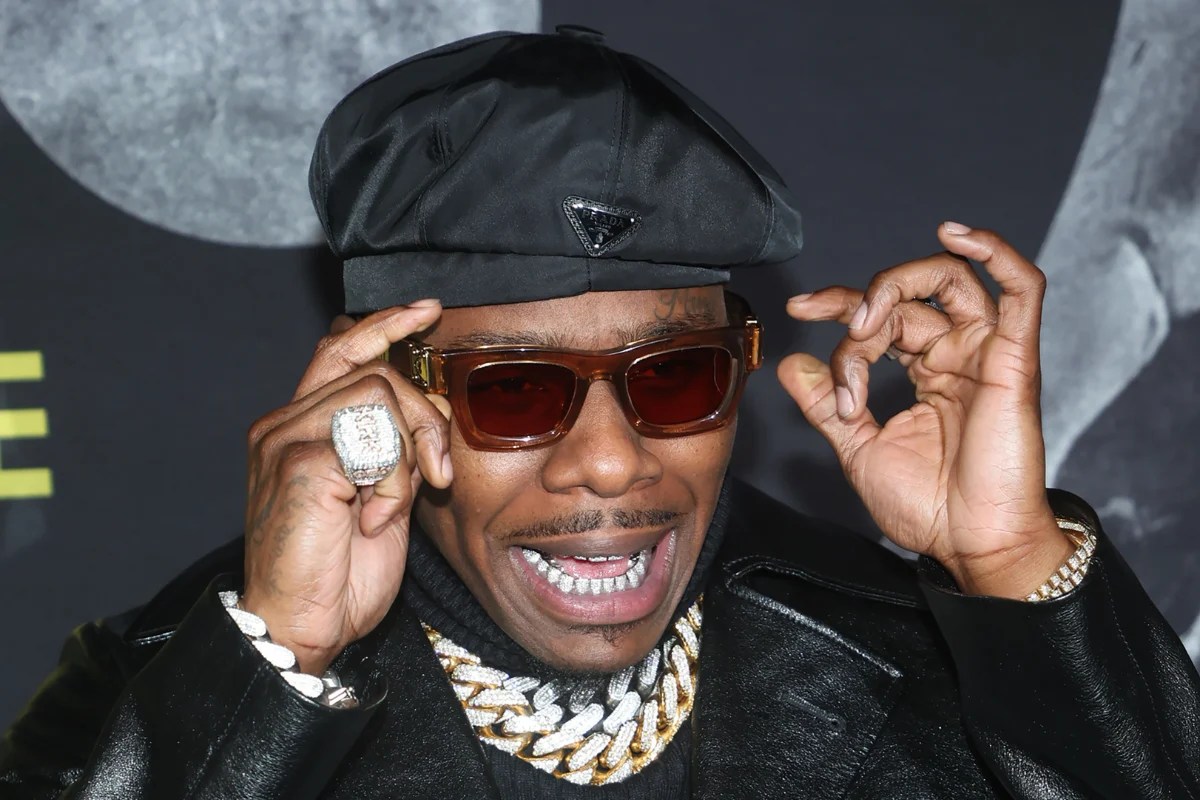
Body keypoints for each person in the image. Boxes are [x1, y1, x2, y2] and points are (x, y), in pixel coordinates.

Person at [2, 26, 1197, 800]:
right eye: (513, 390)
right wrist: (273, 673)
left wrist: (1010, 558)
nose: (614, 464)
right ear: (385, 399)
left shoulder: (932, 654)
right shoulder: (162, 692)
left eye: (675, 376)